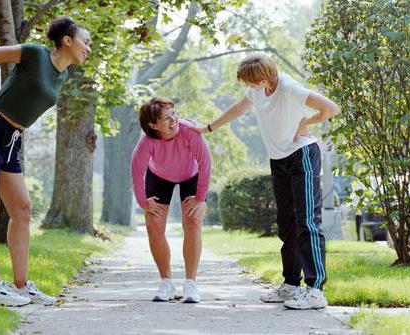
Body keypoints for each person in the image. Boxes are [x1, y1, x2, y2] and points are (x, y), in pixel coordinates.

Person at [0, 16, 91, 306]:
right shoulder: (35, 53)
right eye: (85, 42)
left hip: (12, 138)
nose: (88, 48)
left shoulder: (63, 75)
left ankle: (20, 286)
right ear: (67, 40)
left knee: (22, 210)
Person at [193, 54, 339, 310]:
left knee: (307, 222)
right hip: (278, 158)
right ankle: (291, 284)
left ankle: (316, 291)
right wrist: (208, 128)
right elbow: (238, 109)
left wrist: (306, 121)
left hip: (302, 154)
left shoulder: (289, 87)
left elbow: (330, 108)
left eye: (251, 82)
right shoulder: (256, 91)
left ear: (264, 78)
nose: (248, 88)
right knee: (286, 225)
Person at [131, 97, 211, 303]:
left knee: (193, 221)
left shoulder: (190, 131)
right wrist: (144, 203)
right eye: (166, 118)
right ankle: (166, 282)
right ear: (152, 125)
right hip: (159, 177)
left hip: (191, 175)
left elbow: (205, 163)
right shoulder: (146, 141)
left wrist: (201, 198)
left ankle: (191, 284)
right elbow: (137, 171)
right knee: (153, 224)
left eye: (173, 114)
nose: (173, 120)